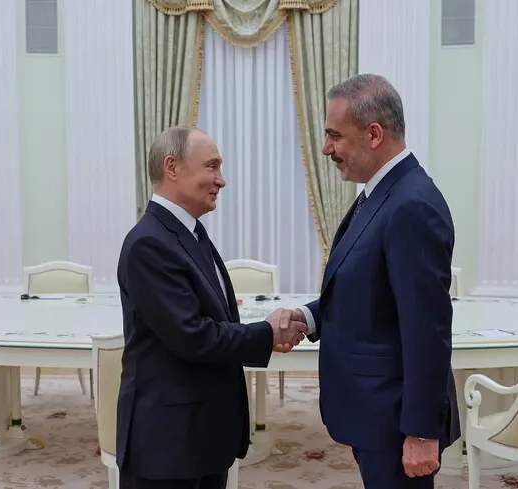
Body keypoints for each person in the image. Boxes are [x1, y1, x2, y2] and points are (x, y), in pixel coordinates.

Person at [291, 74, 460, 489]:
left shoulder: (411, 204)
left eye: (335, 135)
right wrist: (307, 318)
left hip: (397, 419)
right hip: (376, 414)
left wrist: (421, 431)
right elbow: (368, 293)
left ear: (373, 134)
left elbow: (427, 330)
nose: (326, 148)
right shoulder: (381, 194)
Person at [115, 126, 307, 489]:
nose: (221, 180)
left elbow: (213, 320)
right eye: (212, 166)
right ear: (172, 167)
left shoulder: (190, 233)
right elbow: (192, 336)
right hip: (167, 445)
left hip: (202, 435)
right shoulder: (148, 244)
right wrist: (266, 333)